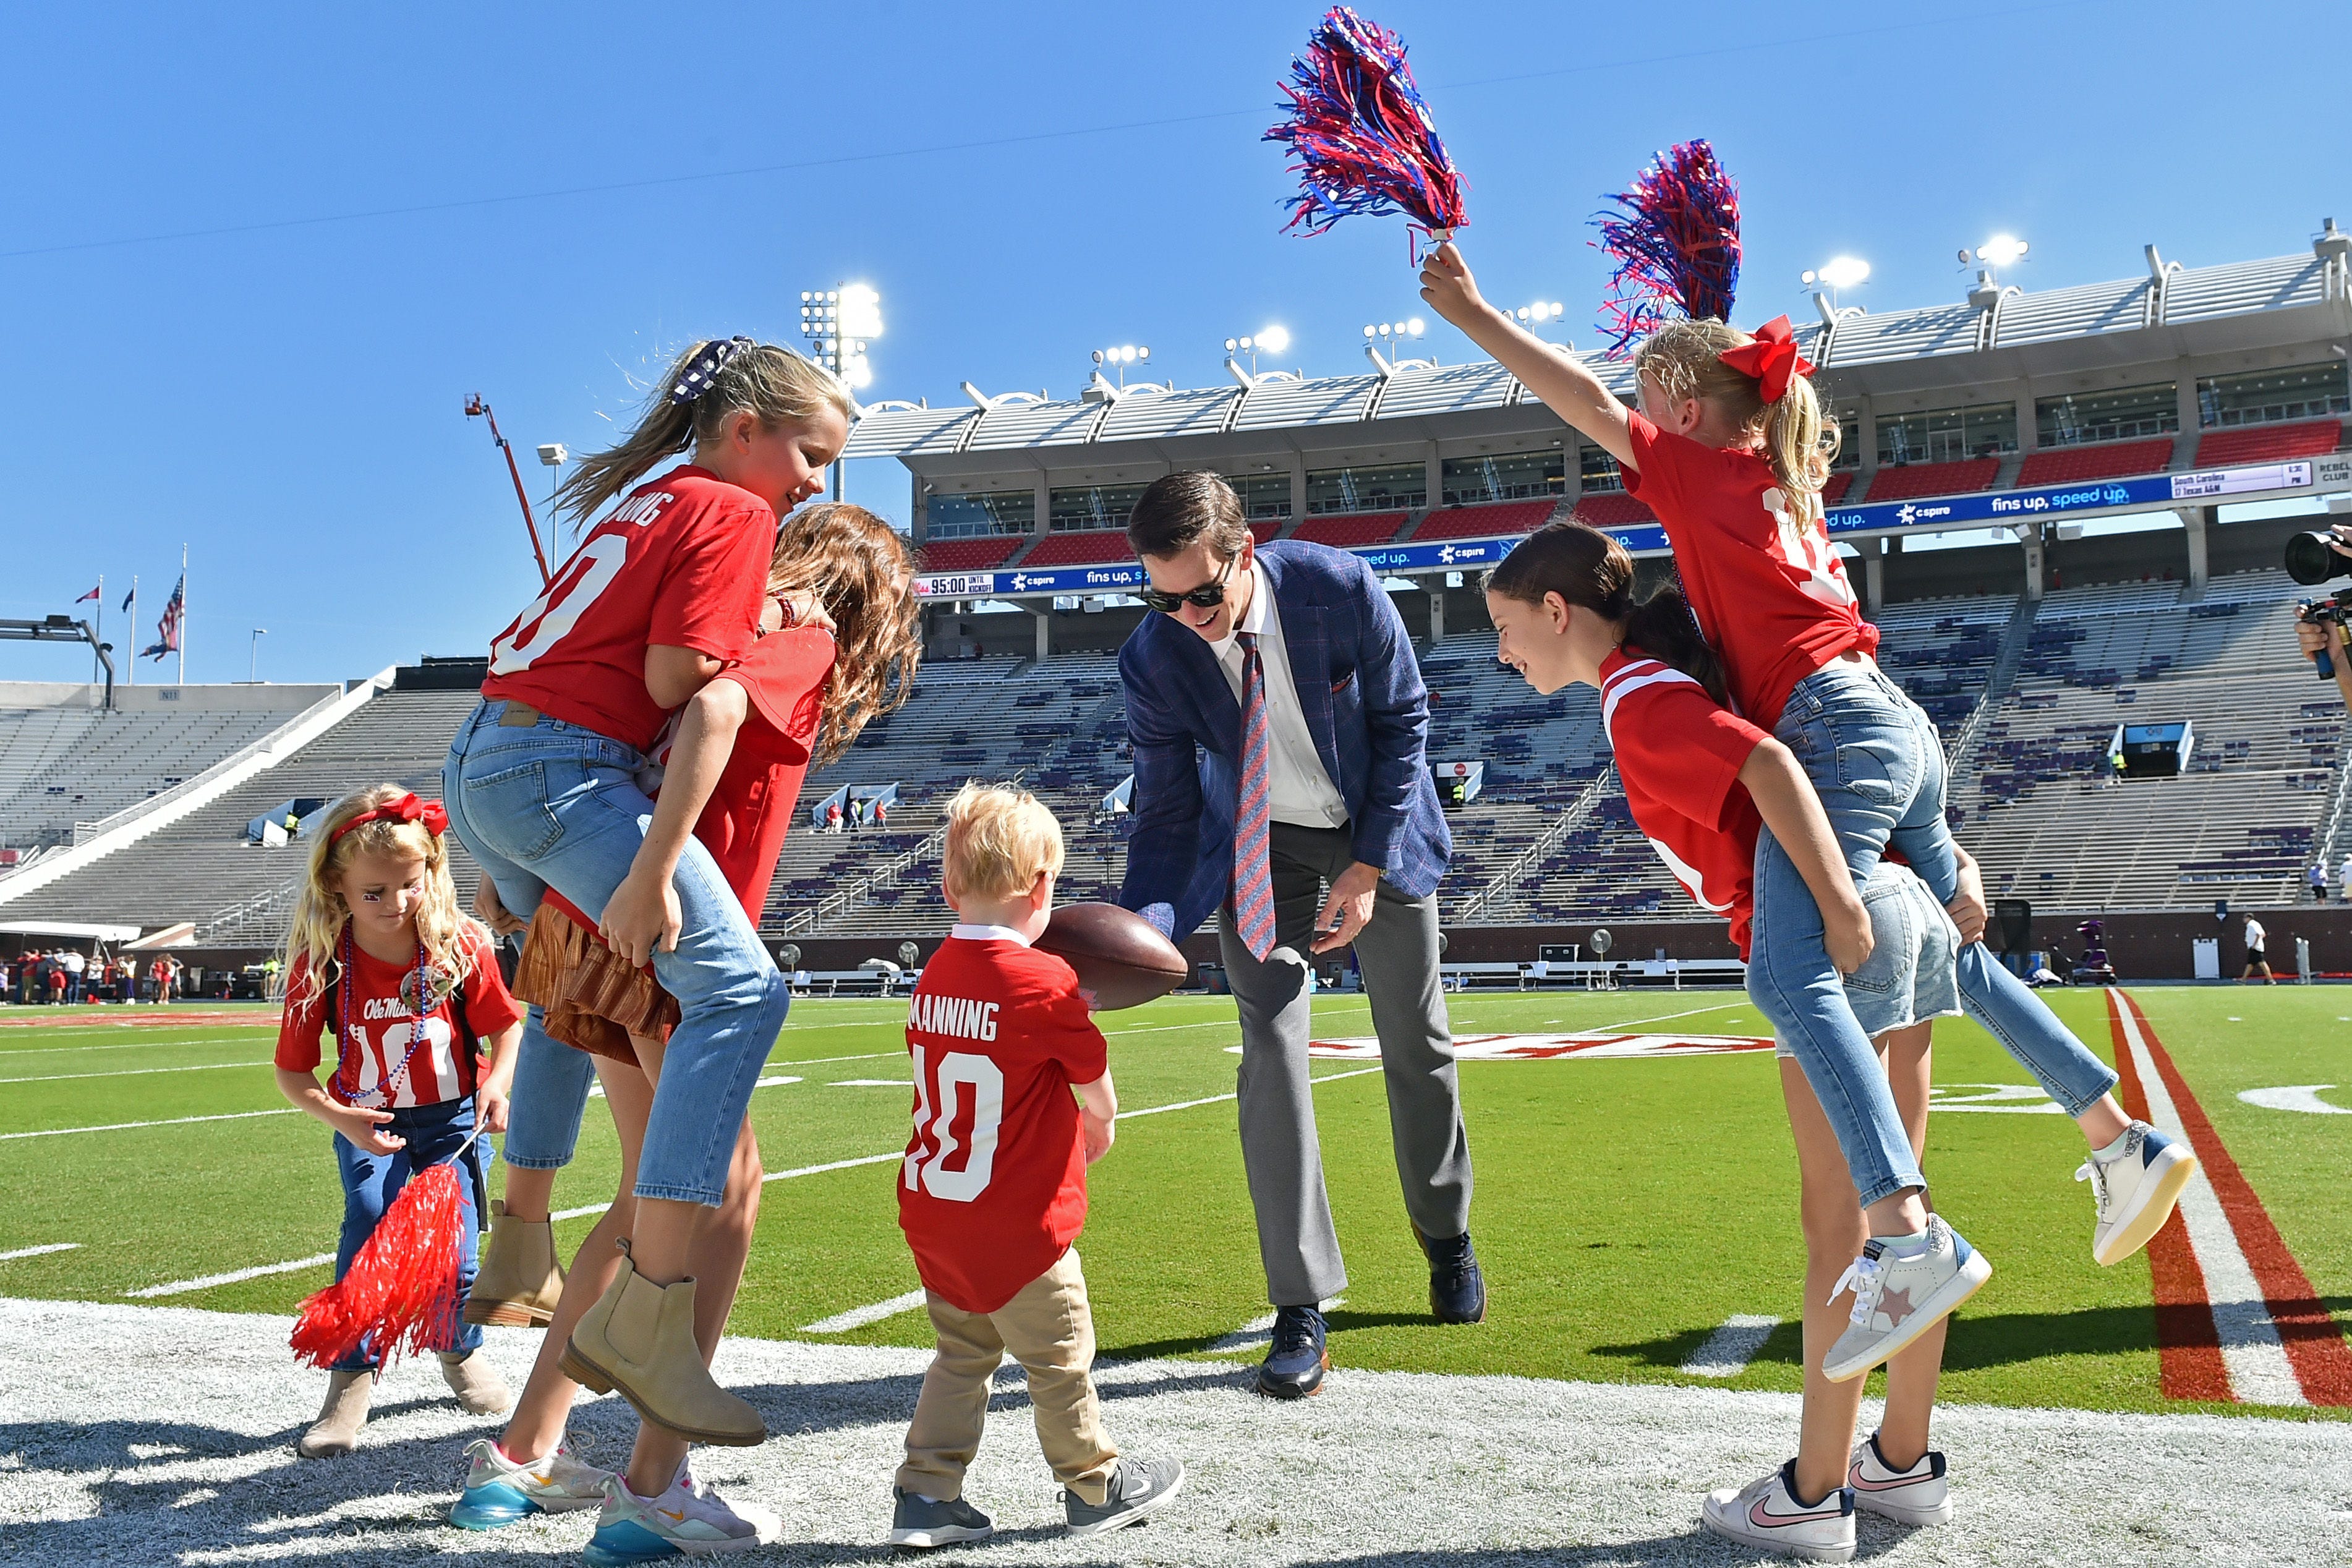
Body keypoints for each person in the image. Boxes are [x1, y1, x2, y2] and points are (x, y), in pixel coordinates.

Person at [1426, 254, 2179, 1326]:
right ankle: (2118, 1139)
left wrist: (1467, 308)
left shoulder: (1698, 470)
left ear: (1683, 407)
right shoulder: (1780, 480)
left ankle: (1905, 1236)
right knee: (1955, 961)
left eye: (1651, 407)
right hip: (1892, 718)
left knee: (1787, 978)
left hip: (1831, 726)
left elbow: (1577, 401)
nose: (1634, 427)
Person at [1481, 524, 2196, 1372]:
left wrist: (1836, 904)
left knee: (1832, 1189)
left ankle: (1831, 1461)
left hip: (1844, 874)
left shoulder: (1637, 697)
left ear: (1556, 610)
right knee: (1963, 973)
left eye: (1502, 627)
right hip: (1895, 763)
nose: (1497, 652)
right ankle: (2113, 1140)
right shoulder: (1661, 672)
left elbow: (1775, 766)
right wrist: (1948, 860)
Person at [448, 503, 919, 1558]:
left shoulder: (717, 611)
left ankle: (523, 1449)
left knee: (642, 1194)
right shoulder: (804, 630)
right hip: (657, 936)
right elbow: (714, 719)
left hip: (587, 923)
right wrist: (660, 872)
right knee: (722, 1186)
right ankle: (654, 1484)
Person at [443, 336, 850, 1448]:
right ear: (743, 432)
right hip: (560, 765)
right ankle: (653, 1319)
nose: (814, 481)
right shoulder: (734, 510)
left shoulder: (646, 495)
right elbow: (682, 682)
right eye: (808, 454)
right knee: (741, 993)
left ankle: (522, 1241)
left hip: (486, 756)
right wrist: (655, 863)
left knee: (577, 985)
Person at [1115, 470, 1478, 1401]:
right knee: (1268, 1053)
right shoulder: (1154, 656)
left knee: (1417, 1041)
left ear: (1246, 553)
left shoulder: (1338, 587)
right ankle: (1300, 1305)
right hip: (1259, 842)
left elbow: (1405, 725)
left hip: (1377, 833)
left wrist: (1367, 866)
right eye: (1162, 598)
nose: (1186, 615)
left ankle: (1447, 1235)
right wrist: (1142, 932)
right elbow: (1161, 813)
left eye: (1203, 594)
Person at [888, 783, 1183, 1548]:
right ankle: (1093, 1483)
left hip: (937, 1208)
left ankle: (926, 1494)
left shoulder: (932, 976)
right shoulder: (1045, 982)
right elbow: (1097, 1093)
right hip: (1016, 1218)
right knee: (1059, 1356)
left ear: (949, 886)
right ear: (1044, 887)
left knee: (962, 1351)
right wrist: (1098, 1127)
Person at [271, 785, 524, 1458]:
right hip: (368, 1122)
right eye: (373, 892)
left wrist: (498, 1086)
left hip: (454, 1123)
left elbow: (507, 1031)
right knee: (366, 1235)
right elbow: (294, 1074)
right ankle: (350, 1381)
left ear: (431, 870)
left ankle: (459, 1351)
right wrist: (342, 1118)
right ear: (337, 886)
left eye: (409, 885)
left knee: (460, 1257)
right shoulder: (321, 961)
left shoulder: (460, 943)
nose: (396, 904)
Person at [2241, 914, 2274, 983]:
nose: (2243, 919)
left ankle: (2271, 980)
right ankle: (2243, 979)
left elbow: (2258, 934)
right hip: (2257, 947)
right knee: (2250, 964)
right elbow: (2263, 934)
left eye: (2245, 918)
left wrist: (2254, 944)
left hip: (2255, 948)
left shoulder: (2251, 925)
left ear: (2249, 918)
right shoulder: (2256, 924)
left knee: (2262, 964)